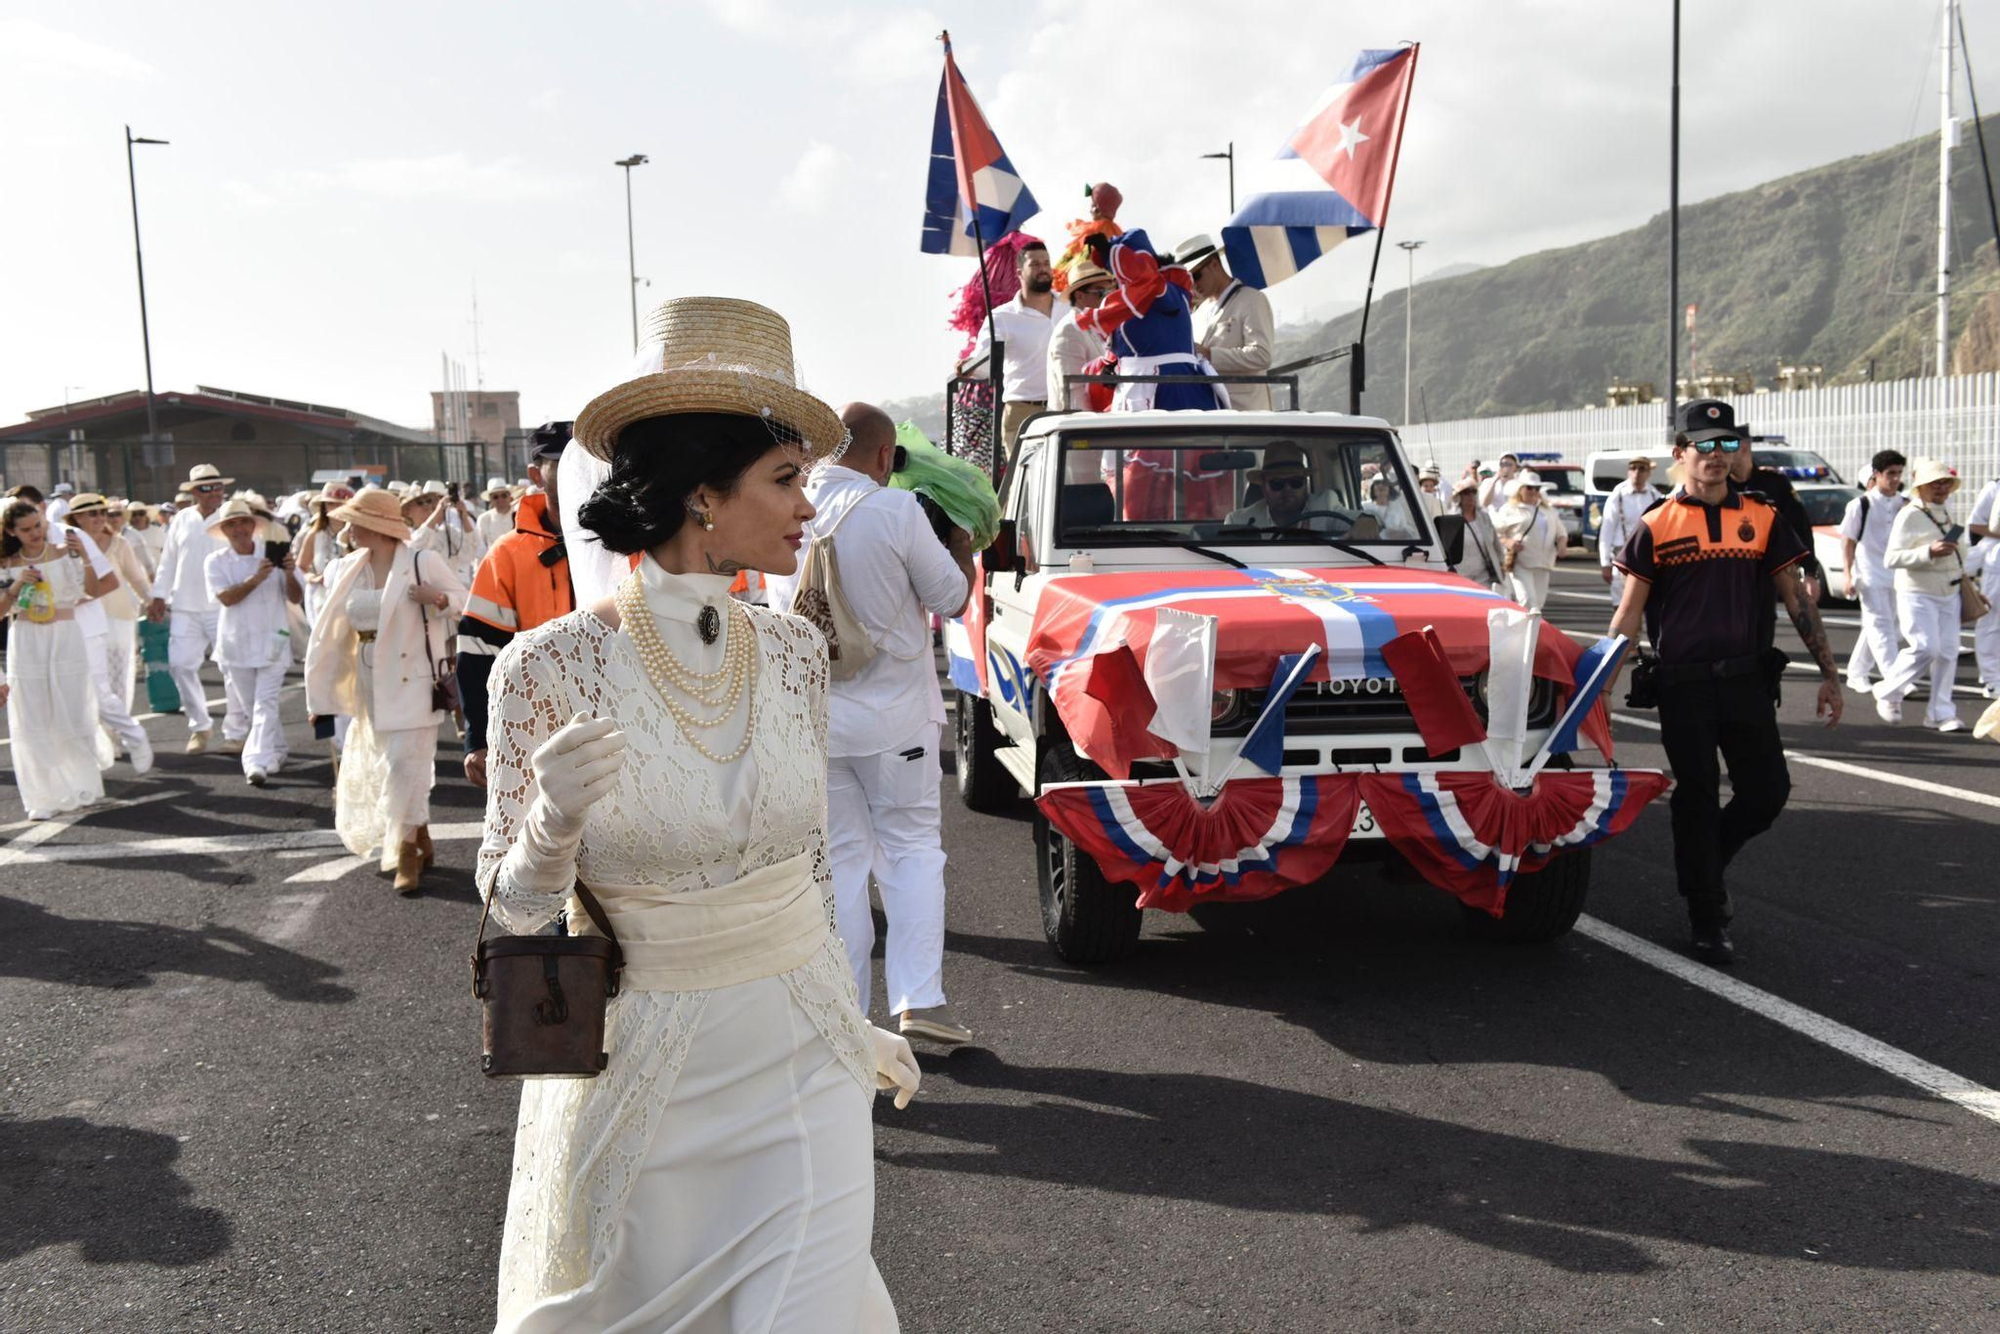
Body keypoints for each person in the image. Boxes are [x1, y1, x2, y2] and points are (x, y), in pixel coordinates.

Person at [476, 296, 917, 1332]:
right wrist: (548, 823)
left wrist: (846, 1017)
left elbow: (810, 858)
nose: (808, 505)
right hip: (650, 1069)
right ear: (703, 495)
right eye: (785, 480)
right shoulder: (549, 664)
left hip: (805, 1052)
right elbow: (508, 907)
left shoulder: (795, 649)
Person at [765, 401, 976, 1045]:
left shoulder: (786, 510)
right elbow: (952, 598)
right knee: (912, 852)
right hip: (896, 722)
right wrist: (961, 544)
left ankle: (847, 1019)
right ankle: (919, 1001)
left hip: (817, 721)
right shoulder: (894, 509)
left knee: (842, 866)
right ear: (885, 457)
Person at [1608, 399, 1843, 965]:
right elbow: (1628, 615)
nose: (1717, 456)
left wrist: (1832, 674)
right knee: (1695, 794)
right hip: (1683, 687)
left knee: (1768, 792)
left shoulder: (1762, 518)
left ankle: (1705, 861)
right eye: (1705, 446)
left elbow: (1797, 602)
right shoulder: (1656, 524)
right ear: (1681, 454)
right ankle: (1707, 914)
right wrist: (1595, 686)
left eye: (1727, 444)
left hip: (1746, 682)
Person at [304, 487, 466, 894]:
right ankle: (421, 835)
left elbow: (466, 602)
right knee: (396, 766)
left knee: (401, 766)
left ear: (375, 526)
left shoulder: (421, 560)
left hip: (415, 680)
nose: (348, 527)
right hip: (368, 681)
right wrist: (321, 695)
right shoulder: (345, 568)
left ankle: (404, 851)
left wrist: (440, 598)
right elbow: (329, 633)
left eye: (355, 521)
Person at [457, 434, 572, 788]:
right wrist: (478, 739)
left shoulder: (622, 541)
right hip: (532, 729)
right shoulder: (507, 553)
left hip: (617, 721)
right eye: (560, 460)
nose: (573, 468)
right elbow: (478, 648)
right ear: (536, 474)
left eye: (580, 457)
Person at [0, 498, 108, 819]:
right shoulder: (6, 563)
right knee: (32, 715)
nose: (35, 533)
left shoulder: (65, 552)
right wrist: (17, 585)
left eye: (39, 526)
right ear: (11, 531)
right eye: (27, 529)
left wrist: (85, 555)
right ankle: (42, 797)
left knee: (71, 710)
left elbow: (92, 589)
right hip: (27, 638)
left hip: (65, 637)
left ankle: (80, 784)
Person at [205, 498, 303, 786]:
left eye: (243, 522)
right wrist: (256, 579)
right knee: (254, 708)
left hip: (274, 640)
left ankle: (255, 761)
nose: (239, 529)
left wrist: (287, 572)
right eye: (232, 524)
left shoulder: (274, 553)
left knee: (265, 703)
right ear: (224, 530)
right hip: (236, 645)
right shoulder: (215, 562)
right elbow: (226, 598)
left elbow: (295, 597)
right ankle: (277, 750)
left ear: (252, 525)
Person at [148, 463, 243, 754]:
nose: (214, 492)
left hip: (222, 606)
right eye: (206, 488)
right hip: (186, 607)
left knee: (231, 668)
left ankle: (236, 733)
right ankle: (200, 727)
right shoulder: (181, 519)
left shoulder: (232, 518)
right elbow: (168, 562)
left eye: (217, 487)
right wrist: (158, 595)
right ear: (193, 492)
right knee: (180, 665)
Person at [1872, 458, 1969, 732]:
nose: (1941, 488)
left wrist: (1970, 585)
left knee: (1948, 652)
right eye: (1935, 483)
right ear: (1921, 487)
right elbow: (1892, 558)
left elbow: (1959, 554)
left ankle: (1940, 713)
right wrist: (1928, 552)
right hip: (1917, 592)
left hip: (1949, 591)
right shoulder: (1910, 514)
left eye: (1945, 483)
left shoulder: (1945, 512)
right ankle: (1888, 690)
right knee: (1925, 647)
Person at [62, 494, 152, 774]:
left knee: (115, 682)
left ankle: (113, 736)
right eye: (92, 514)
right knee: (85, 684)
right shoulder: (64, 547)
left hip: (118, 618)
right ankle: (95, 739)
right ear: (76, 519)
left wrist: (153, 602)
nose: (100, 518)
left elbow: (136, 577)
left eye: (102, 513)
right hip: (80, 622)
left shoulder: (120, 542)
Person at [962, 239, 1063, 463]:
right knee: (1028, 483)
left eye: (1046, 263)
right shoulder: (1002, 317)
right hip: (1023, 412)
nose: (1043, 268)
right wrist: (969, 366)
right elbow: (985, 363)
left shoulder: (1069, 310)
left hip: (1065, 409)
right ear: (1019, 272)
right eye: (1035, 264)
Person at [1178, 233, 1277, 411]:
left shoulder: (1252, 299)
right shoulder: (1198, 313)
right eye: (1188, 280)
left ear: (1215, 264)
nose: (1193, 285)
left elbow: (1262, 355)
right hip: (1213, 415)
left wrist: (1210, 355)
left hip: (1248, 415)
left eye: (1196, 276)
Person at [1836, 451, 1908, 694]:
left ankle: (1856, 673)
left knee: (1883, 627)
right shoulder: (1860, 504)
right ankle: (1896, 680)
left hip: (1897, 575)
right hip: (1869, 574)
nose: (1895, 478)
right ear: (1876, 475)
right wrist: (1847, 574)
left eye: (1899, 473)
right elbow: (1848, 541)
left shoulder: (1905, 504)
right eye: (1890, 474)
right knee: (1881, 627)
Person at [1044, 260, 1114, 412]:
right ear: (1080, 296)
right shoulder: (1069, 330)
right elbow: (1073, 394)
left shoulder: (1101, 327)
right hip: (1078, 429)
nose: (1108, 298)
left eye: (1111, 291)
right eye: (1101, 292)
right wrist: (1093, 431)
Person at [1597, 453, 1663, 605]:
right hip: (1622, 557)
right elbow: (1606, 531)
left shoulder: (1655, 496)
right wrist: (1605, 563)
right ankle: (1623, 629)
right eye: (1633, 468)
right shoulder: (1618, 496)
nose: (1636, 472)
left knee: (1647, 602)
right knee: (1621, 603)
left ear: (1648, 473)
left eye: (1641, 469)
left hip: (1647, 558)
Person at [1223, 443, 1335, 530]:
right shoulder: (1239, 521)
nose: (1288, 489)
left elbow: (1352, 523)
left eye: (1296, 482)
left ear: (1305, 483)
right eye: (1277, 483)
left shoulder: (1326, 507)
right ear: (1263, 487)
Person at [1494, 474, 1562, 611]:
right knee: (1527, 601)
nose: (1533, 492)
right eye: (1529, 488)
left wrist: (1562, 545)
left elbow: (1561, 532)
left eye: (1537, 489)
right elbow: (1494, 532)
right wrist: (1507, 541)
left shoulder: (1548, 510)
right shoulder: (1510, 509)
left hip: (1544, 563)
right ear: (1520, 489)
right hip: (1521, 562)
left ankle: (1532, 631)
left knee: (1539, 603)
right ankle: (1521, 631)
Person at [408, 479, 487, 591]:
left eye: (429, 501)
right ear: (409, 511)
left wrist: (464, 517)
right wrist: (436, 516)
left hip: (451, 596)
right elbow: (414, 547)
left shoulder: (447, 532)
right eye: (420, 502)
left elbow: (468, 554)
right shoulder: (406, 534)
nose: (427, 505)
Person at [295, 483, 355, 628]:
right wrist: (313, 578)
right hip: (323, 599)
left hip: (353, 596)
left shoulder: (357, 534)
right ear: (324, 507)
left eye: (340, 504)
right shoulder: (314, 535)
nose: (335, 509)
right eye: (330, 504)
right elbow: (301, 567)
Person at [1967, 472, 1999, 697]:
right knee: (1991, 620)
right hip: (1996, 561)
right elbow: (1975, 525)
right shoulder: (1994, 488)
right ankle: (1991, 679)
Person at [1447, 475, 1504, 589]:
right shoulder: (1450, 520)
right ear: (1458, 497)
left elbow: (1495, 544)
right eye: (1466, 493)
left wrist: (1501, 563)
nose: (1471, 496)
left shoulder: (1484, 518)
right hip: (1459, 576)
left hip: (1483, 575)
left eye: (1473, 492)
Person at [475, 478, 516, 548]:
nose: (500, 499)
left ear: (509, 497)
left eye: (504, 495)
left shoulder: (519, 514)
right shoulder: (484, 519)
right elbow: (480, 545)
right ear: (490, 499)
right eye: (495, 497)